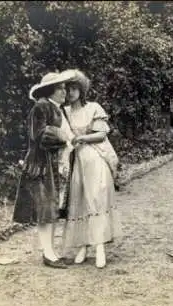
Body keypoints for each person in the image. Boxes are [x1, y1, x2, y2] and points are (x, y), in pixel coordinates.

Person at [59, 69, 121, 269]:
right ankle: (83, 246)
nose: (71, 93)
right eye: (67, 89)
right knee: (79, 201)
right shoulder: (65, 112)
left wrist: (82, 137)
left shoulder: (93, 107)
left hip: (95, 158)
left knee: (97, 200)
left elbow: (101, 135)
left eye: (75, 88)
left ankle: (100, 246)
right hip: (77, 162)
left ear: (82, 89)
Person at [12, 70, 75, 269]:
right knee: (45, 210)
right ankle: (48, 254)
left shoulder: (58, 109)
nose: (64, 92)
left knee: (53, 210)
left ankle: (52, 252)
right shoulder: (41, 107)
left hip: (55, 165)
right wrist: (63, 136)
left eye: (65, 88)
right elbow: (38, 135)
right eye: (60, 88)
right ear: (49, 90)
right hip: (42, 165)